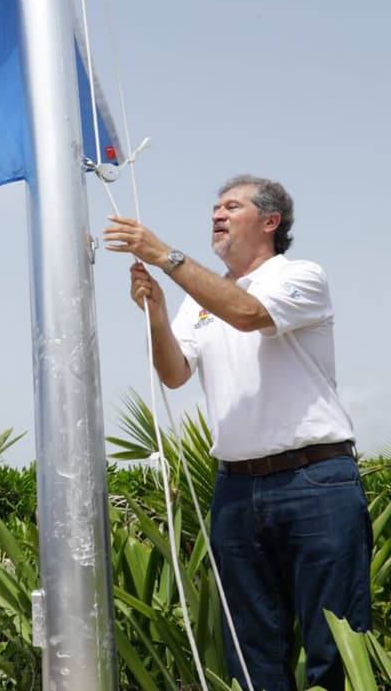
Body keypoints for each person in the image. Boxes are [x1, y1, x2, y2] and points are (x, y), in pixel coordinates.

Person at [104, 174, 371, 691]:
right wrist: (157, 313)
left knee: (335, 644)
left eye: (232, 206)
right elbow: (174, 373)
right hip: (236, 488)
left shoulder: (300, 275)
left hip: (315, 482)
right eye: (215, 207)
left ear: (271, 221)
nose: (217, 214)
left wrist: (165, 256)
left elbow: (249, 315)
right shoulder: (197, 300)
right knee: (250, 653)